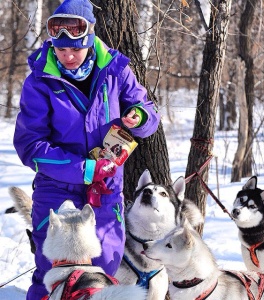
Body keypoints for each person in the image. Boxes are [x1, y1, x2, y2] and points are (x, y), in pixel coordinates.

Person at [13, 0, 160, 299]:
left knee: (104, 268)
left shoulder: (115, 70)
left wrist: (139, 116)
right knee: (51, 272)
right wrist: (83, 169)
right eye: (61, 50)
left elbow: (147, 112)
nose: (68, 56)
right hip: (57, 188)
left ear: (90, 40)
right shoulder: (39, 81)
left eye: (75, 50)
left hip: (105, 187)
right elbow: (30, 145)